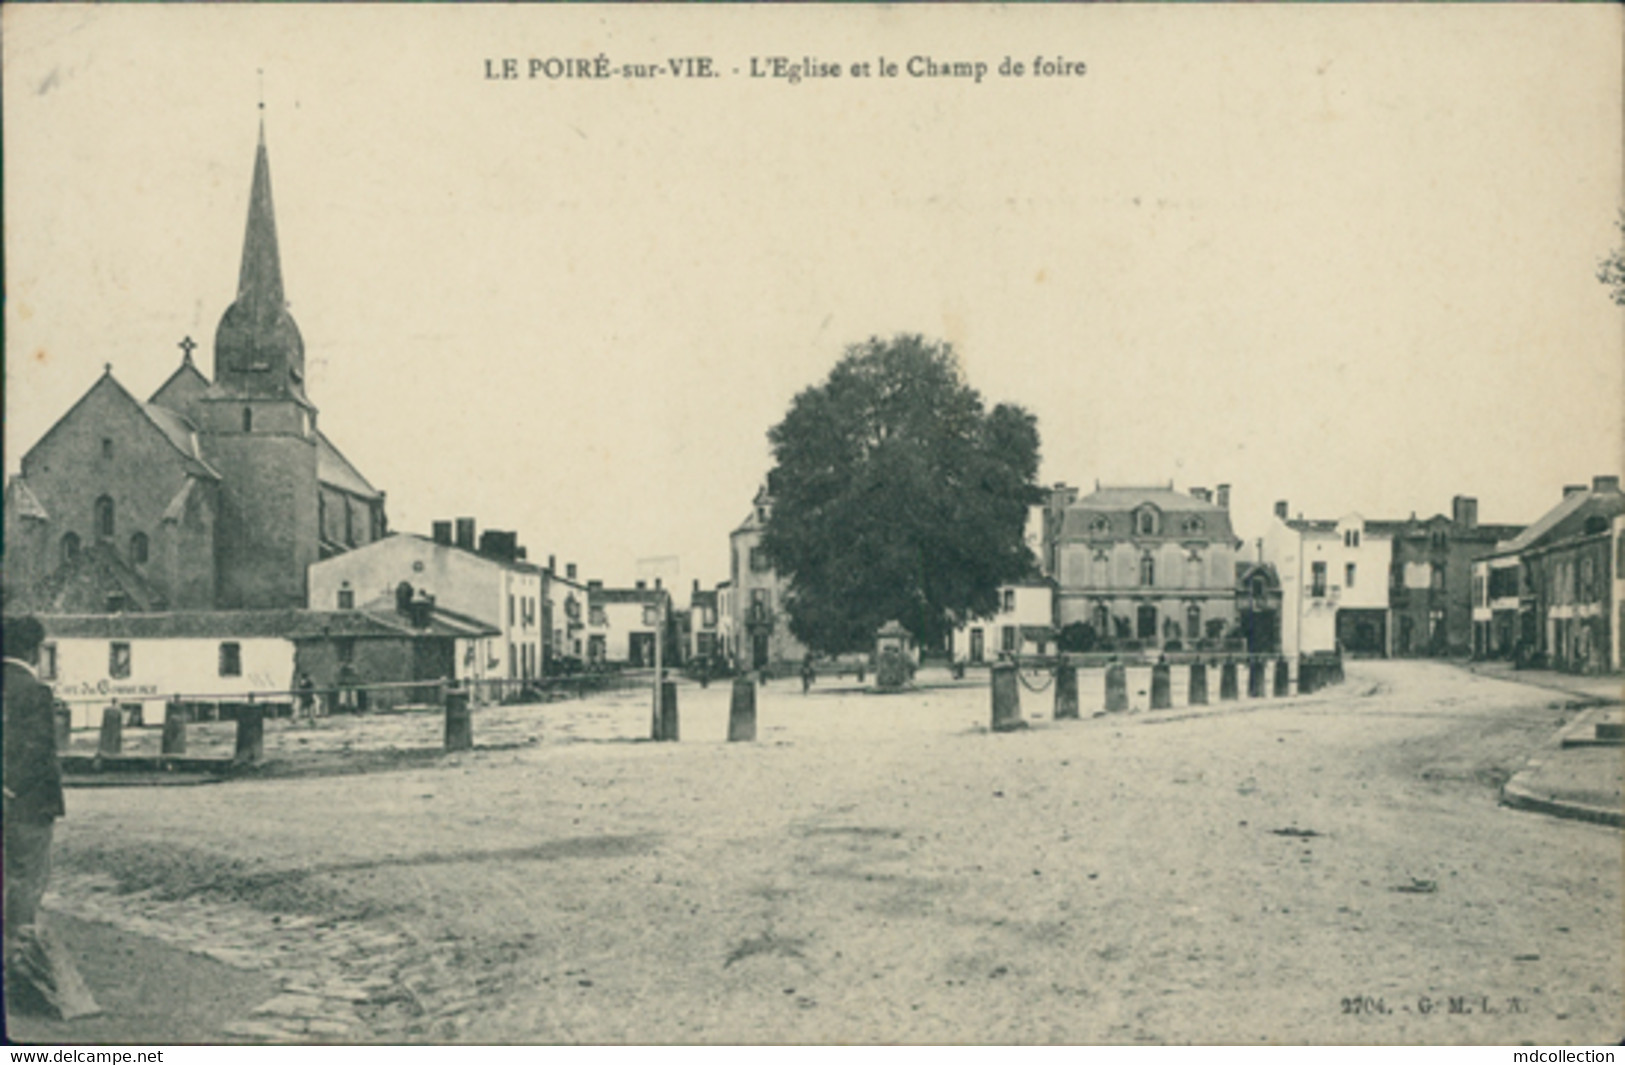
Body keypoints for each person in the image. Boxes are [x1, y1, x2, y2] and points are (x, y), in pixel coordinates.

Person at [4, 614, 98, 1018]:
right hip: (26, 804)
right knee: (27, 881)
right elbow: (38, 754)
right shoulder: (34, 691)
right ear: (33, 649)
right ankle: (18, 968)